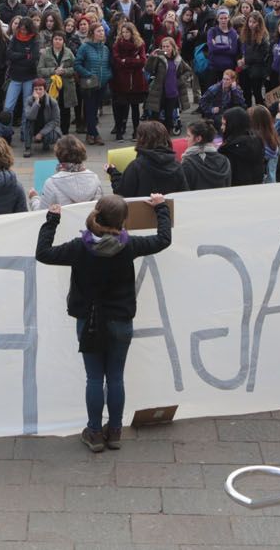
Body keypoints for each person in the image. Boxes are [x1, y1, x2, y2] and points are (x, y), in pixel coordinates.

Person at [36, 192, 172, 452]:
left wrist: (52, 220)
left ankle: (95, 433)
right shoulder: (129, 246)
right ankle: (116, 431)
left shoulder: (79, 247)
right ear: (123, 222)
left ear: (96, 213)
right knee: (116, 378)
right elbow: (163, 239)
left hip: (89, 322)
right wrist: (161, 209)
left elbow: (43, 253)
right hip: (120, 320)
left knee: (95, 378)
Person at [113, 121, 187, 199]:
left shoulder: (136, 167)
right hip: (169, 210)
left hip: (141, 210)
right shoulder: (176, 165)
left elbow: (122, 193)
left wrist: (114, 174)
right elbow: (183, 194)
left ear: (142, 140)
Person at [34, 135, 104, 208]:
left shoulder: (51, 183)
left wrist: (34, 198)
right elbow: (99, 209)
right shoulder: (95, 178)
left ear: (58, 155)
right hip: (89, 219)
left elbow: (42, 213)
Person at [21, 79, 62, 156]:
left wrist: (41, 133)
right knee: (27, 122)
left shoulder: (52, 102)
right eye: (36, 89)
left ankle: (46, 143)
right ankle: (27, 147)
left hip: (47, 127)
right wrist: (36, 102)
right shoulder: (29, 100)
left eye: (40, 89)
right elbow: (29, 116)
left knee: (51, 136)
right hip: (34, 125)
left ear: (45, 89)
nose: (38, 91)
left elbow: (56, 121)